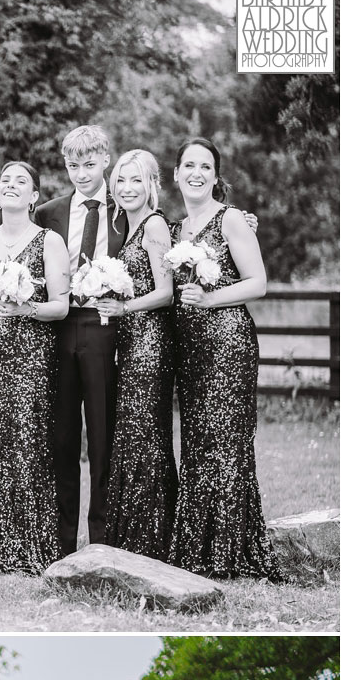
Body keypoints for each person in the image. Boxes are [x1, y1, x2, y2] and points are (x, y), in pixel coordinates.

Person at [165, 137, 275, 580]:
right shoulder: (173, 231)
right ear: (175, 174)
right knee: (198, 442)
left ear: (215, 176)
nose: (196, 172)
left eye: (204, 166)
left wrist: (211, 299)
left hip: (228, 342)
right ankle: (199, 546)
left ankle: (230, 549)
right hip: (190, 350)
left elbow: (258, 282)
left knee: (226, 442)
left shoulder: (231, 219)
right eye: (188, 165)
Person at [0, 161, 70, 574]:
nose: (11, 186)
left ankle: (28, 545)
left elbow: (62, 305)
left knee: (27, 442)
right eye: (4, 180)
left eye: (20, 181)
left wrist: (29, 308)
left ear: (34, 196)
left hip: (33, 357)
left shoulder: (49, 241)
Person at [35, 125, 129, 554]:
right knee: (62, 437)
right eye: (73, 165)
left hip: (107, 328)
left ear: (106, 159)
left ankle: (102, 541)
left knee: (104, 434)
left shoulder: (126, 209)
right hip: (58, 327)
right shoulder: (49, 212)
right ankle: (60, 544)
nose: (81, 174)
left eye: (89, 164)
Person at [100, 151, 177, 561]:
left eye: (136, 180)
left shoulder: (154, 225)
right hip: (129, 345)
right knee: (132, 435)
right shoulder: (126, 228)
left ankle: (151, 538)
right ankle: (133, 536)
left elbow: (165, 292)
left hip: (150, 343)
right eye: (121, 181)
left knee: (145, 435)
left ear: (152, 184)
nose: (127, 188)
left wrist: (123, 309)